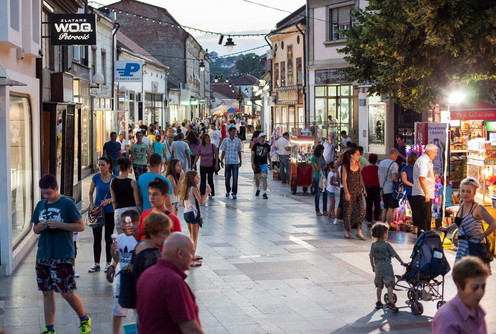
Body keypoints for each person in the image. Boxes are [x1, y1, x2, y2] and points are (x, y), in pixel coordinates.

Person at [31, 175, 91, 334]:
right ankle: (49, 328)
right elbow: (35, 228)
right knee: (46, 292)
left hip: (62, 254)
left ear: (56, 188)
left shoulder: (67, 204)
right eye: (43, 193)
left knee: (66, 292)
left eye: (48, 193)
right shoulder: (40, 205)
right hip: (43, 253)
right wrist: (40, 227)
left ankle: (84, 318)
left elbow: (80, 226)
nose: (46, 196)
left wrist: (60, 225)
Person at [136, 233, 204, 334]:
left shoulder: (147, 275)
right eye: (192, 252)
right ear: (180, 253)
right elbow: (190, 329)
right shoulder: (173, 282)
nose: (193, 257)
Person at [440, 177, 496, 263]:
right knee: (459, 275)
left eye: (468, 191)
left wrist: (482, 235)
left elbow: (493, 223)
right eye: (463, 191)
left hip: (474, 249)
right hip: (462, 247)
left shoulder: (478, 208)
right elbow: (460, 222)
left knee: (470, 275)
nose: (465, 194)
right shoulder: (462, 205)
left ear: (474, 193)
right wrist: (448, 228)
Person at [432, 256, 489, 334]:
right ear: (459, 286)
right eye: (474, 287)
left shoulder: (478, 312)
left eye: (483, 287)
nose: (481, 292)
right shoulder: (447, 317)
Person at [110, 210, 139, 334]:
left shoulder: (139, 239)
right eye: (121, 222)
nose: (121, 225)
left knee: (140, 311)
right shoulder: (120, 238)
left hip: (137, 280)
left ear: (135, 223)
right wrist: (113, 255)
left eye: (124, 222)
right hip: (122, 281)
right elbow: (117, 258)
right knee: (118, 311)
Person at [369, 223, 406, 311]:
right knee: (389, 286)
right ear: (384, 234)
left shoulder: (373, 245)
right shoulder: (387, 245)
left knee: (379, 286)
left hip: (378, 269)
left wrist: (373, 266)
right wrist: (402, 262)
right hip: (387, 269)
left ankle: (378, 302)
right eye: (387, 232)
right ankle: (391, 302)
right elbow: (395, 255)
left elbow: (371, 256)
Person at [88, 156, 115, 273]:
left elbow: (116, 196)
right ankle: (96, 263)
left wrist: (108, 200)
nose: (101, 167)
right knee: (97, 238)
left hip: (109, 211)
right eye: (99, 165)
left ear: (108, 165)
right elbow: (90, 192)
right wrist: (91, 203)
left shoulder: (114, 179)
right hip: (97, 212)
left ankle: (108, 263)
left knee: (108, 238)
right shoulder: (95, 178)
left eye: (103, 165)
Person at [181, 171, 210, 267]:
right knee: (194, 238)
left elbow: (182, 203)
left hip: (186, 213)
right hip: (193, 214)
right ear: (192, 179)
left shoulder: (185, 188)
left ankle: (190, 254)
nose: (199, 178)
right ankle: (191, 258)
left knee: (191, 236)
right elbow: (201, 201)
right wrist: (207, 193)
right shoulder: (194, 189)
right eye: (197, 177)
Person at [133, 212, 172, 283]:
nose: (169, 235)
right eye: (164, 232)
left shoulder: (141, 244)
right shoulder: (152, 257)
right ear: (152, 233)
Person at [410, 143, 438, 234]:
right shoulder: (424, 162)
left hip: (425, 193)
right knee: (424, 220)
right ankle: (424, 239)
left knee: (425, 219)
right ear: (429, 152)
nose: (435, 154)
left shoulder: (426, 161)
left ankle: (424, 238)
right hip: (422, 194)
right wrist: (426, 193)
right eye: (434, 152)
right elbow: (422, 178)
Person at [110, 157, 141, 234]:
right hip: (132, 211)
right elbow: (138, 202)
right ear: (129, 168)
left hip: (118, 210)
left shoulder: (113, 181)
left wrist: (116, 210)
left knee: (121, 239)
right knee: (133, 238)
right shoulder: (132, 182)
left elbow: (113, 200)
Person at [342, 148, 367, 239]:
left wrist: (363, 188)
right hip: (349, 190)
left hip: (357, 191)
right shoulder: (346, 166)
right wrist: (346, 192)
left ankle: (359, 231)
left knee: (361, 211)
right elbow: (344, 180)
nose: (359, 156)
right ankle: (347, 231)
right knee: (348, 211)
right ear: (352, 155)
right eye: (357, 154)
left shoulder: (358, 164)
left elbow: (360, 177)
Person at [220, 125, 242, 199]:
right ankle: (228, 190)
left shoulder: (238, 140)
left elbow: (239, 151)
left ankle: (234, 192)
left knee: (235, 178)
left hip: (235, 161)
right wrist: (221, 160)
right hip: (228, 161)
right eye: (232, 131)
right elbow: (223, 150)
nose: (234, 133)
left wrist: (240, 160)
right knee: (227, 178)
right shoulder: (225, 140)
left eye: (235, 131)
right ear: (229, 132)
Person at [378, 148, 400, 225]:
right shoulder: (394, 164)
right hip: (391, 189)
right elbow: (394, 178)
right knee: (390, 208)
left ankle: (382, 224)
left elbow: (378, 176)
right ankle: (388, 225)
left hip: (383, 188)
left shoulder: (381, 163)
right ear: (395, 155)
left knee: (385, 207)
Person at [362, 153, 381, 226]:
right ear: (376, 160)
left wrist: (363, 189)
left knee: (369, 205)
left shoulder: (365, 168)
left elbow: (362, 178)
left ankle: (369, 221)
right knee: (377, 205)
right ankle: (376, 219)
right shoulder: (378, 169)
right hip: (376, 188)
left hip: (367, 188)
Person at [251, 133, 272, 199]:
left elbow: (268, 155)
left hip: (264, 164)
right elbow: (252, 155)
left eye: (264, 137)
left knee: (264, 178)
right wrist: (252, 164)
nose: (263, 139)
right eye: (262, 137)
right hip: (257, 164)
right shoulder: (255, 146)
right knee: (257, 178)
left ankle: (264, 192)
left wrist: (270, 163)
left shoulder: (267, 146)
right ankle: (258, 189)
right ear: (259, 138)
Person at [310, 144, 328, 216]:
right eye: (322, 151)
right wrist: (320, 159)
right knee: (317, 194)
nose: (323, 152)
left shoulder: (323, 157)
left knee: (325, 193)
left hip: (323, 177)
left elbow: (326, 165)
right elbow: (317, 168)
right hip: (317, 177)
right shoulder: (313, 158)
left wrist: (322, 167)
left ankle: (325, 210)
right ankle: (317, 210)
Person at [401, 152, 417, 229]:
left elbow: (404, 180)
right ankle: (418, 226)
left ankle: (415, 226)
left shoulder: (405, 169)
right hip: (418, 191)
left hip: (410, 191)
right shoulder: (418, 168)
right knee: (418, 209)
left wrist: (412, 185)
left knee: (413, 209)